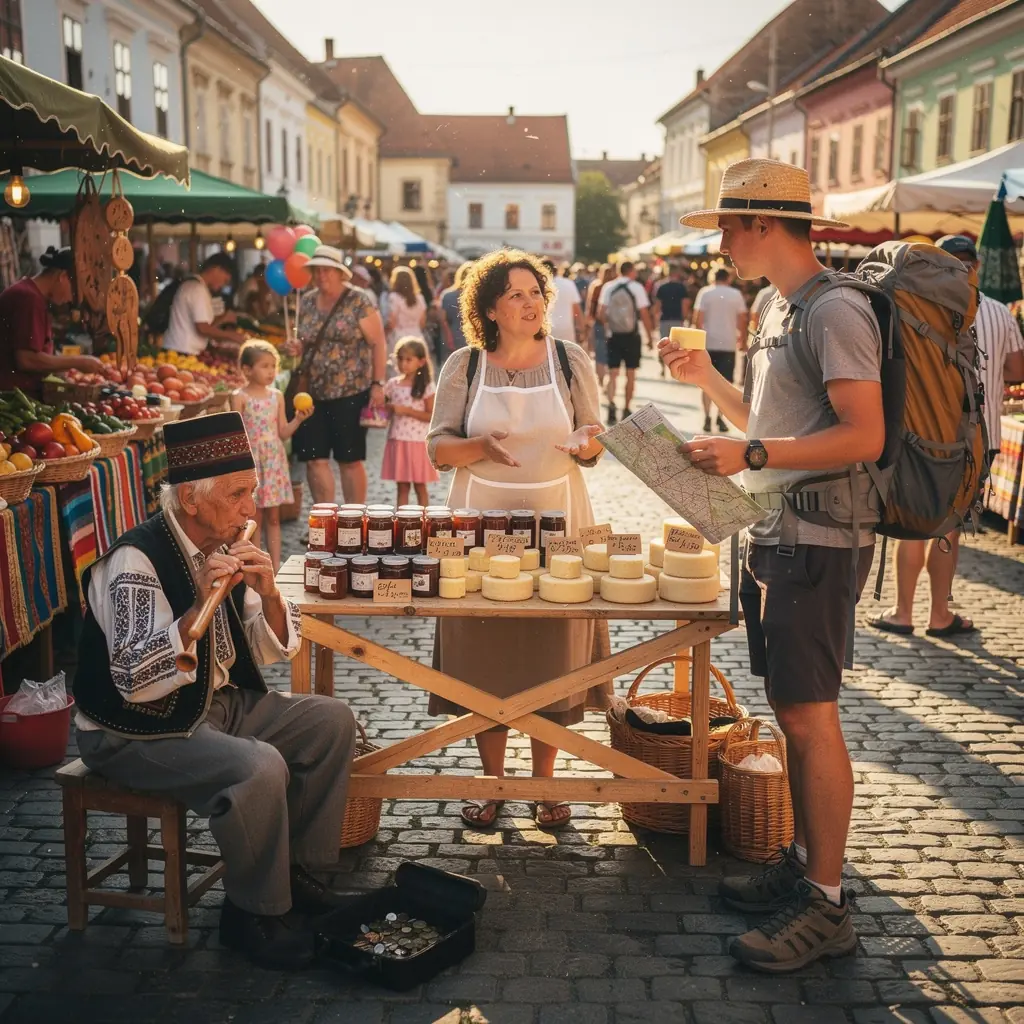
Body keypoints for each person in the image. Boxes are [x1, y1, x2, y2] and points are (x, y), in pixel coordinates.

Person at [660, 158, 884, 973]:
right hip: (775, 534)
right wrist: (710, 384)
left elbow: (866, 435)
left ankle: (826, 904)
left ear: (762, 223)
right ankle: (801, 862)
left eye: (725, 226)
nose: (719, 242)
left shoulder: (835, 309)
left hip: (819, 542)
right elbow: (771, 424)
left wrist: (749, 449)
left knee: (810, 715)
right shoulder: (775, 309)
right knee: (791, 711)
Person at [73, 411, 357, 970]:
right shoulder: (136, 559)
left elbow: (277, 647)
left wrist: (269, 592)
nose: (253, 508)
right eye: (239, 494)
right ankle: (253, 913)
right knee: (258, 768)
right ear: (191, 500)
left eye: (251, 491)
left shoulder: (225, 538)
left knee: (332, 722)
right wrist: (188, 612)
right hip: (133, 730)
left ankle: (299, 877)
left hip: (209, 707)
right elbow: (134, 682)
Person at [427, 249, 611, 830]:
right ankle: (494, 784)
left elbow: (596, 443)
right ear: (489, 308)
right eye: (515, 294)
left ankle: (545, 785)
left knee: (552, 649)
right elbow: (438, 450)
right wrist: (481, 447)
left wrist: (587, 445)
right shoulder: (465, 365)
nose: (530, 303)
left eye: (536, 292)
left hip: (559, 512)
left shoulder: (569, 359)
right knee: (487, 646)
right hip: (480, 516)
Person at [869, 234, 1024, 639]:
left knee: (914, 514)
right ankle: (940, 613)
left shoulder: (908, 305)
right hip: (980, 436)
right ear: (973, 267)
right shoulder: (997, 312)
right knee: (948, 526)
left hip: (923, 434)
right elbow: (1017, 370)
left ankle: (903, 611)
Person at [293, 245, 387, 505]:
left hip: (351, 391)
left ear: (338, 272)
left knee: (349, 459)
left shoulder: (358, 300)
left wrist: (378, 384)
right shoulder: (309, 300)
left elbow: (378, 343)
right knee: (314, 459)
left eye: (327, 270)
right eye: (317, 270)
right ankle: (326, 520)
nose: (322, 275)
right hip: (311, 393)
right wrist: (297, 347)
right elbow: (306, 341)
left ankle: (353, 520)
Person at [230, 340, 312, 573]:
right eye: (264, 366)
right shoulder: (240, 397)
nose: (271, 371)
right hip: (252, 462)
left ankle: (274, 568)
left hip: (274, 462)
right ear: (247, 370)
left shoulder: (276, 396)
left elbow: (283, 433)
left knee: (274, 518)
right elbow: (235, 435)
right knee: (254, 517)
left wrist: (298, 419)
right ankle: (256, 567)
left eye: (273, 366)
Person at [0, 246, 105, 395]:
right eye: (74, 293)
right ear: (62, 277)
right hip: (12, 400)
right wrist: (79, 362)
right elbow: (26, 359)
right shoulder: (29, 298)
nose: (71, 299)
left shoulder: (30, 294)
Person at [382, 336, 439, 506]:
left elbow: (431, 416)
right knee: (402, 487)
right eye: (400, 359)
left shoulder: (426, 386)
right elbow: (383, 408)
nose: (403, 364)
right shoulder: (392, 384)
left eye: (408, 359)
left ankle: (424, 520)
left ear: (421, 362)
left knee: (420, 486)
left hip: (418, 442)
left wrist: (406, 411)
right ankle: (402, 521)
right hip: (398, 440)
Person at [597, 261, 655, 424]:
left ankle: (611, 404)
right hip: (632, 336)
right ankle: (627, 408)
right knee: (631, 374)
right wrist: (650, 337)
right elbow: (644, 313)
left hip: (613, 335)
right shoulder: (637, 288)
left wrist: (611, 324)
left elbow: (600, 314)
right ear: (632, 272)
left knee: (613, 373)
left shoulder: (608, 287)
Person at [692, 268, 749, 432]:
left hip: (707, 344)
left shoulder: (705, 293)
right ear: (728, 278)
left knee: (706, 382)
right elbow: (743, 319)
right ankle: (720, 418)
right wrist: (743, 339)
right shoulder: (736, 294)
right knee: (725, 384)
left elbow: (698, 320)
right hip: (728, 343)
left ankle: (707, 417)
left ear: (713, 277)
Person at [162, 252, 246, 355]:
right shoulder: (198, 289)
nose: (223, 286)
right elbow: (202, 328)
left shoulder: (195, 286)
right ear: (216, 269)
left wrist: (223, 318)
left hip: (180, 350)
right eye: (225, 280)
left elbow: (203, 324)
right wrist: (232, 336)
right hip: (182, 352)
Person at [652, 264, 691, 380]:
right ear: (677, 273)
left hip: (664, 319)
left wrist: (655, 320)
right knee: (677, 346)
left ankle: (662, 369)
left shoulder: (661, 286)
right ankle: (676, 369)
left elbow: (657, 306)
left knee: (663, 345)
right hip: (677, 320)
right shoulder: (681, 287)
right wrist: (683, 317)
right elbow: (685, 303)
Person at [586, 263, 616, 387]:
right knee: (612, 352)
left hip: (599, 323)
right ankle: (610, 379)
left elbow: (591, 306)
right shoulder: (615, 287)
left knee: (599, 353)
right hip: (614, 325)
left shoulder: (596, 286)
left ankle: (601, 380)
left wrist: (588, 325)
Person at [386, 265, 427, 353]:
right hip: (417, 335)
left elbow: (392, 322)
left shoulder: (394, 297)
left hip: (399, 336)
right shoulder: (420, 298)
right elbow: (422, 322)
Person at [543, 259, 585, 343]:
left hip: (546, 331)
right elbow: (577, 309)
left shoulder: (540, 285)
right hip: (567, 331)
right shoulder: (569, 283)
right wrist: (581, 329)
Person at [439, 261, 473, 364]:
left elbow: (443, 319)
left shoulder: (447, 295)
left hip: (453, 334)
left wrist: (448, 336)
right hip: (473, 335)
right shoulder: (479, 296)